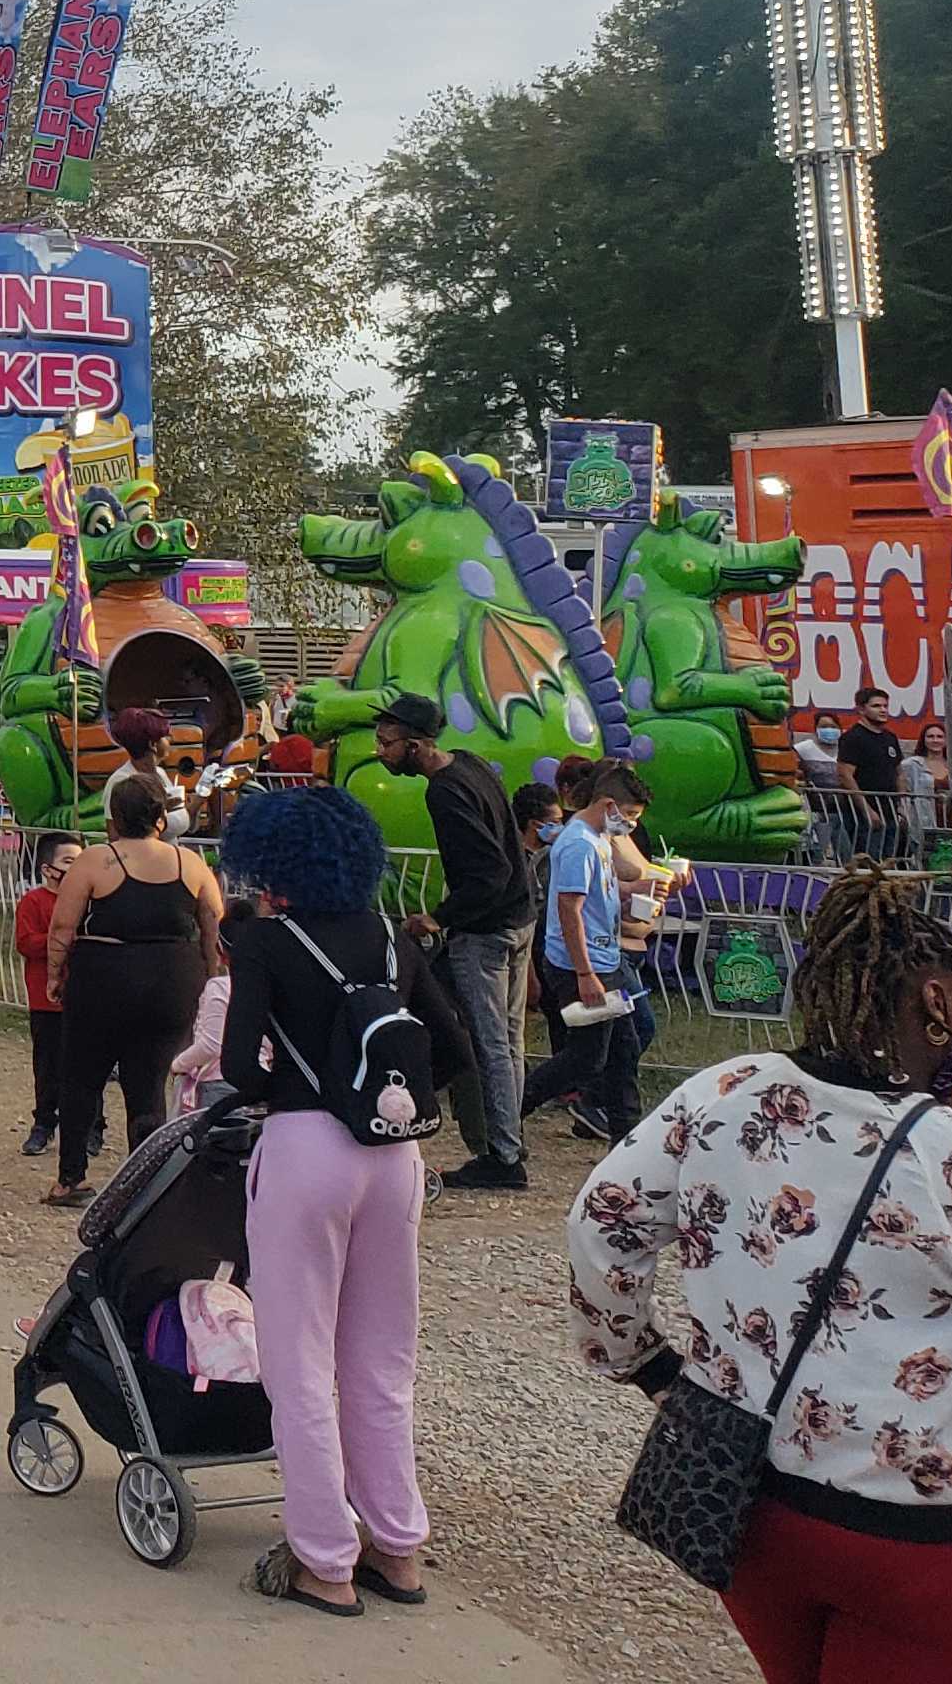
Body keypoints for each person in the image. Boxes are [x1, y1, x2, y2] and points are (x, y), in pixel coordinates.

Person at [569, 868, 952, 1684]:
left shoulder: (727, 1092)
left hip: (755, 1512)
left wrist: (644, 1363)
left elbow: (602, 1222)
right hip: (927, 1543)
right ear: (939, 1004)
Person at [213, 786, 432, 1618]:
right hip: (394, 1151)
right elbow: (441, 1039)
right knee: (382, 1360)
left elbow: (237, 1063)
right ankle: (397, 1546)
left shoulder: (267, 939)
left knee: (300, 1363)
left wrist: (293, 1092)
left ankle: (325, 1559)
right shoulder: (389, 937)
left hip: (306, 1148)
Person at [372, 691, 533, 1189]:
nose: (381, 751)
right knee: (509, 1041)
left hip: (486, 932)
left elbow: (490, 870)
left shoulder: (443, 789)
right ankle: (509, 1141)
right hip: (518, 918)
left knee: (490, 1044)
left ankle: (503, 1158)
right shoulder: (471, 764)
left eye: (388, 743)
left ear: (417, 746)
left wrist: (439, 918)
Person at [42, 775, 220, 1204]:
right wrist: (210, 978)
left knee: (82, 1076)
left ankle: (71, 1178)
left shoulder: (95, 861)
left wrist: (54, 974)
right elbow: (214, 924)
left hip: (104, 976)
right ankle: (146, 1178)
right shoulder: (190, 863)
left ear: (114, 819)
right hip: (173, 979)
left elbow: (63, 925)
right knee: (150, 1080)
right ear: (161, 817)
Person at [519, 762, 651, 1145]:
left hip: (606, 961)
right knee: (586, 1057)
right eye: (629, 815)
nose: (631, 825)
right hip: (586, 965)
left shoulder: (596, 840)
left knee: (623, 1049)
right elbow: (569, 911)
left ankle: (627, 1136)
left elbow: (599, 895)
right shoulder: (579, 843)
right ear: (608, 804)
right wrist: (584, 974)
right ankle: (514, 1109)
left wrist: (639, 891)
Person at [11, 834, 75, 1161]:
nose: (76, 869)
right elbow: (26, 942)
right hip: (44, 1000)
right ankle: (44, 1124)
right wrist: (61, 941)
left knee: (82, 1064)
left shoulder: (86, 901)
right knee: (47, 1065)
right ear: (48, 869)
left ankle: (91, 1127)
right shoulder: (34, 902)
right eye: (68, 862)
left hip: (81, 998)